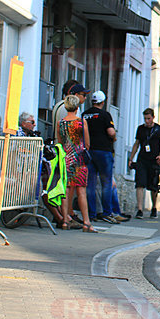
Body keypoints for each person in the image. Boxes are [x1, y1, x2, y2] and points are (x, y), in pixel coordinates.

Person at [55, 95, 95, 233]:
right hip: (79, 159)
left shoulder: (60, 123)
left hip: (66, 158)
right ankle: (86, 223)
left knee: (66, 189)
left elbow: (59, 141)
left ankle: (65, 220)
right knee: (81, 191)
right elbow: (87, 143)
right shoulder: (81, 122)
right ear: (77, 107)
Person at [81, 91, 122, 224]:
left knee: (90, 184)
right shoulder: (105, 115)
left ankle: (91, 213)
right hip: (103, 152)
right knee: (106, 183)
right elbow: (110, 132)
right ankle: (107, 212)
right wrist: (114, 137)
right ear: (103, 102)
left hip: (88, 151)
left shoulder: (85, 114)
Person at [128, 108, 160, 219]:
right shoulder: (141, 129)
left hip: (154, 160)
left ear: (153, 117)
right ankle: (140, 209)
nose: (147, 121)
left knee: (153, 185)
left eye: (149, 118)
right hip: (142, 159)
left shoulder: (159, 129)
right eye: (145, 119)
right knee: (140, 184)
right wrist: (131, 158)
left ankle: (154, 207)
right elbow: (136, 144)